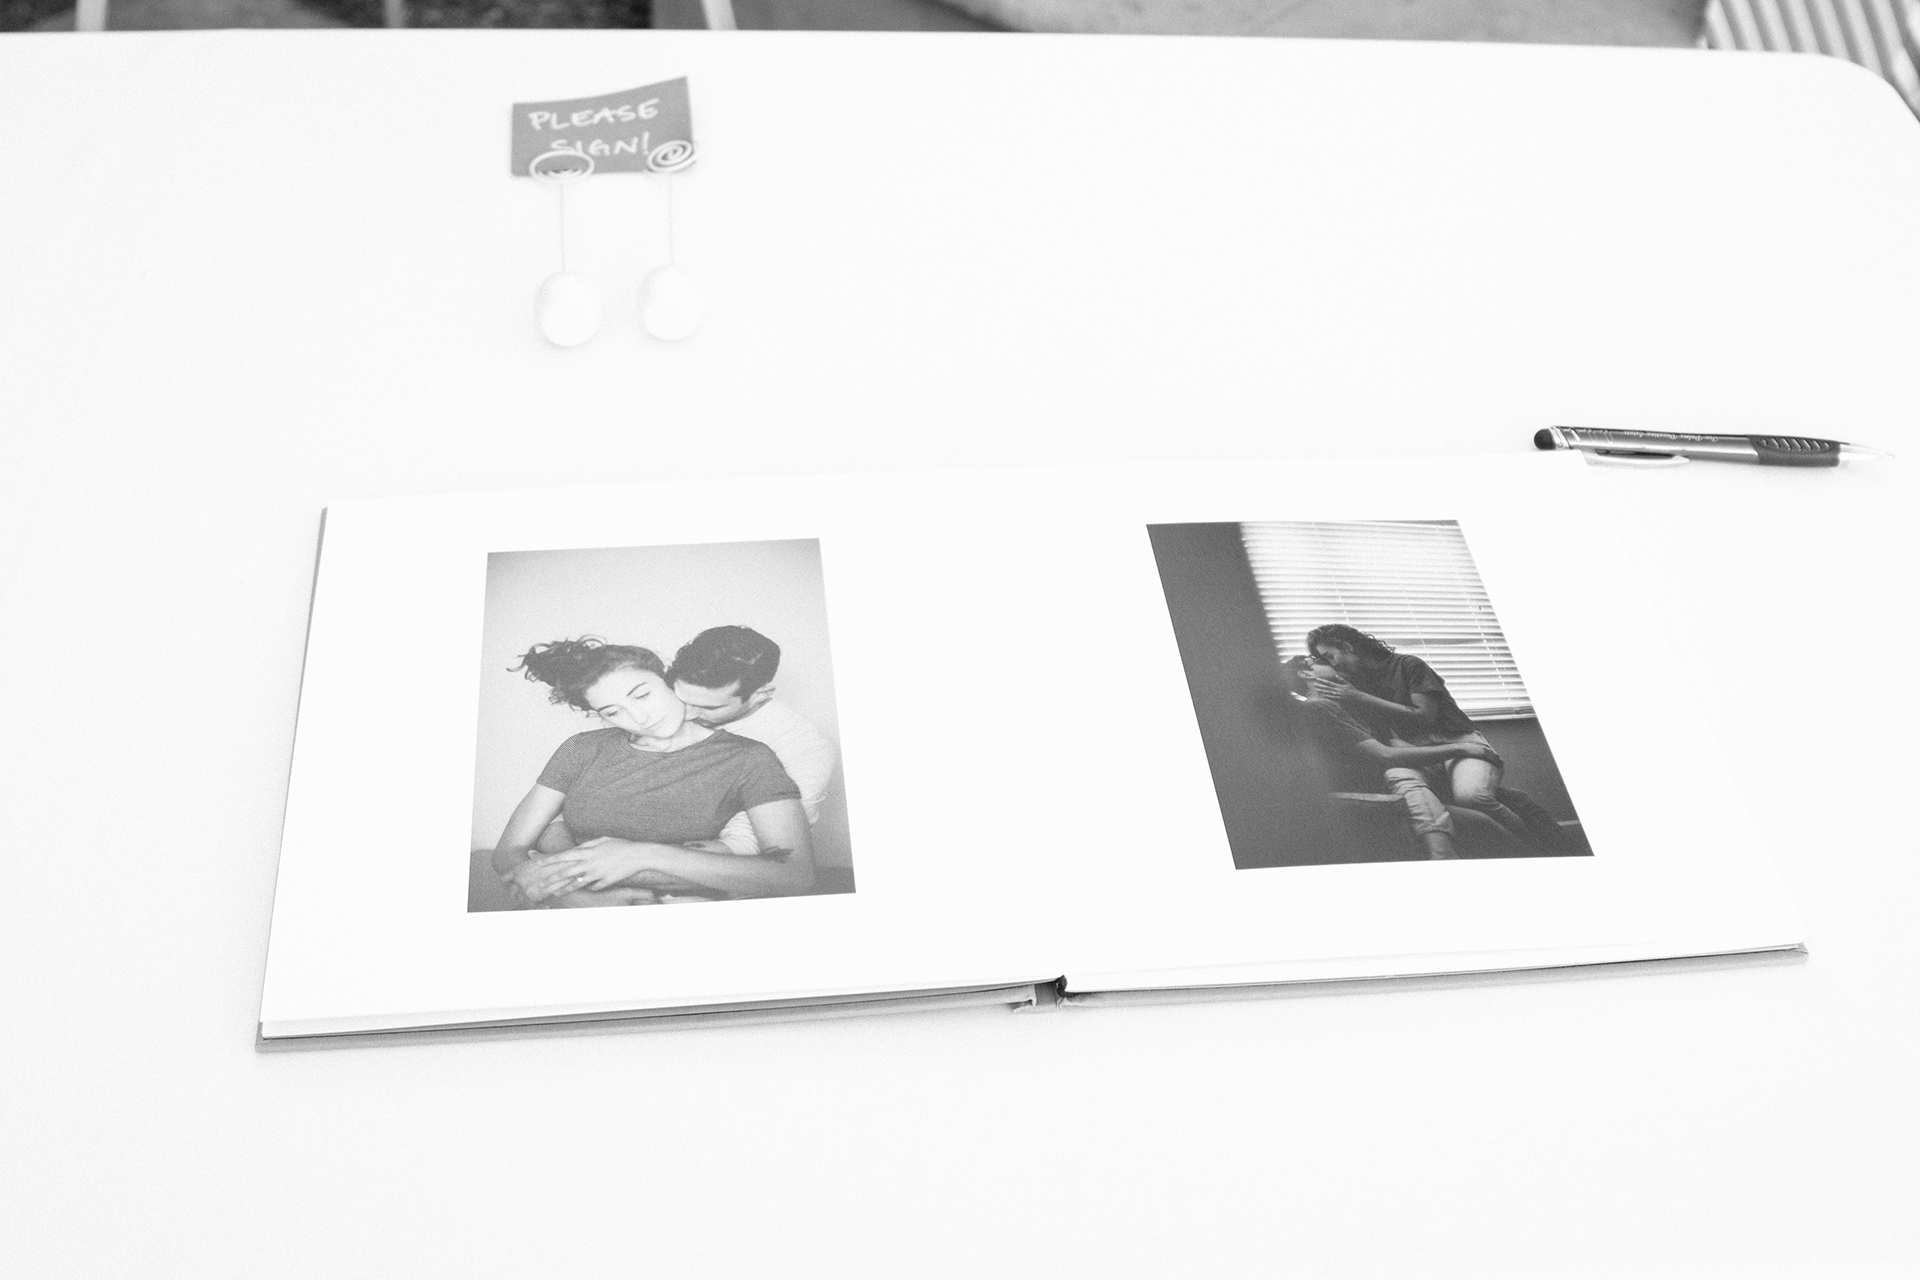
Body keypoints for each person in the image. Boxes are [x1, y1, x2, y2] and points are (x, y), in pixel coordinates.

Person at [491, 637, 816, 908]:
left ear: (668, 681)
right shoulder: (581, 749)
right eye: (612, 711)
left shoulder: (748, 757)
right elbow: (509, 850)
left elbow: (796, 875)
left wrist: (642, 855)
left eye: (642, 695)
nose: (639, 717)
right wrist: (574, 899)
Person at [1302, 624, 1533, 846]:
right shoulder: (1355, 682)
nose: (1333, 665)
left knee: (1471, 797)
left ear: (1348, 646)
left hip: (1457, 740)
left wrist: (1360, 697)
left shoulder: (1409, 665)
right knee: (1399, 779)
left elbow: (1425, 716)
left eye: (1331, 656)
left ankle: (1532, 847)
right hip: (1415, 749)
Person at [667, 625, 839, 855]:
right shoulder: (659, 697)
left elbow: (754, 844)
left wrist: (646, 855)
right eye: (680, 699)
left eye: (708, 707)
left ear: (760, 694)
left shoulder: (805, 749)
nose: (686, 715)